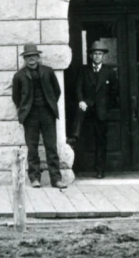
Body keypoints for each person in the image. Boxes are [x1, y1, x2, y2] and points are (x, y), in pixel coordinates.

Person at [11, 43, 67, 189]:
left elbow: (57, 91)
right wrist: (25, 109)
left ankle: (56, 179)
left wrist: (49, 104)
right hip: (30, 116)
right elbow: (16, 97)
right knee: (32, 148)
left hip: (47, 113)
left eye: (34, 56)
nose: (31, 59)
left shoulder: (48, 72)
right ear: (24, 59)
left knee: (51, 146)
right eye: (28, 57)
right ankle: (35, 178)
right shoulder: (19, 76)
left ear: (38, 57)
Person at [72, 40, 118, 179]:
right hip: (86, 107)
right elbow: (78, 87)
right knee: (81, 135)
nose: (97, 56)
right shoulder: (84, 70)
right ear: (91, 56)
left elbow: (114, 92)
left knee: (100, 140)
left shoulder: (109, 72)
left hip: (101, 111)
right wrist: (81, 101)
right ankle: (74, 138)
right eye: (95, 54)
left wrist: (106, 106)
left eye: (100, 54)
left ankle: (100, 170)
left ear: (103, 56)